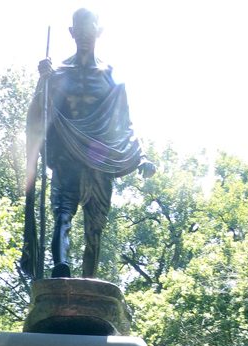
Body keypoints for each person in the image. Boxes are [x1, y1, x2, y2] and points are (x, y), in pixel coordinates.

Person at [22, 8, 156, 280]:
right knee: (62, 212)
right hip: (66, 156)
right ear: (71, 33)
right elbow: (39, 114)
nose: (85, 38)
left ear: (99, 32)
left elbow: (125, 122)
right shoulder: (56, 73)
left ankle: (88, 284)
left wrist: (140, 156)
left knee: (95, 226)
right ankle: (61, 270)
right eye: (79, 32)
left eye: (90, 32)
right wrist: (41, 81)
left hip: (100, 158)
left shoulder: (110, 75)